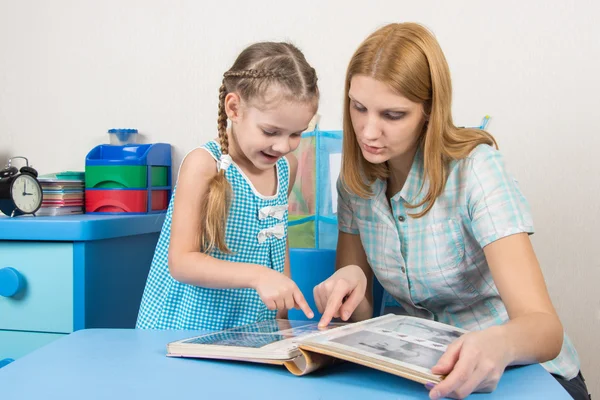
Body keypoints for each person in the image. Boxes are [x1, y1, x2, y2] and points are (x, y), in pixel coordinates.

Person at [313, 23, 590, 400]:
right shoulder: (355, 183)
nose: (368, 131)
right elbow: (358, 314)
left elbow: (545, 330)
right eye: (358, 107)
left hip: (521, 374)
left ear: (429, 111)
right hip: (422, 375)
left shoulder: (477, 170)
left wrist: (498, 344)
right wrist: (348, 287)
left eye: (393, 115)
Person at [136, 41, 318, 331]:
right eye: (270, 131)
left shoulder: (285, 168)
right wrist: (258, 276)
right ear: (234, 108)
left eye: (296, 133)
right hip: (184, 331)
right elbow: (181, 262)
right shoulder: (203, 165)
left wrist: (282, 322)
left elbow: (278, 248)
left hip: (249, 332)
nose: (283, 146)